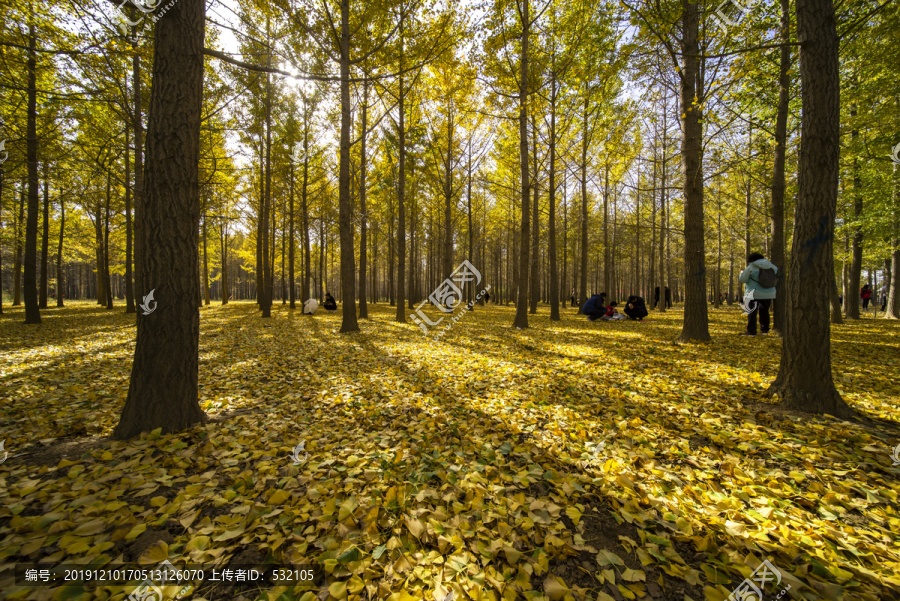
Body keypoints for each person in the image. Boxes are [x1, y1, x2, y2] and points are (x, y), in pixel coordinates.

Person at [738, 252, 778, 336]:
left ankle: (751, 331)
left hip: (753, 293)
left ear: (751, 259)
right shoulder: (772, 266)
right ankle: (764, 330)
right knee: (764, 311)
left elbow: (742, 279)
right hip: (769, 293)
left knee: (752, 312)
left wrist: (742, 272)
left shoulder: (751, 267)